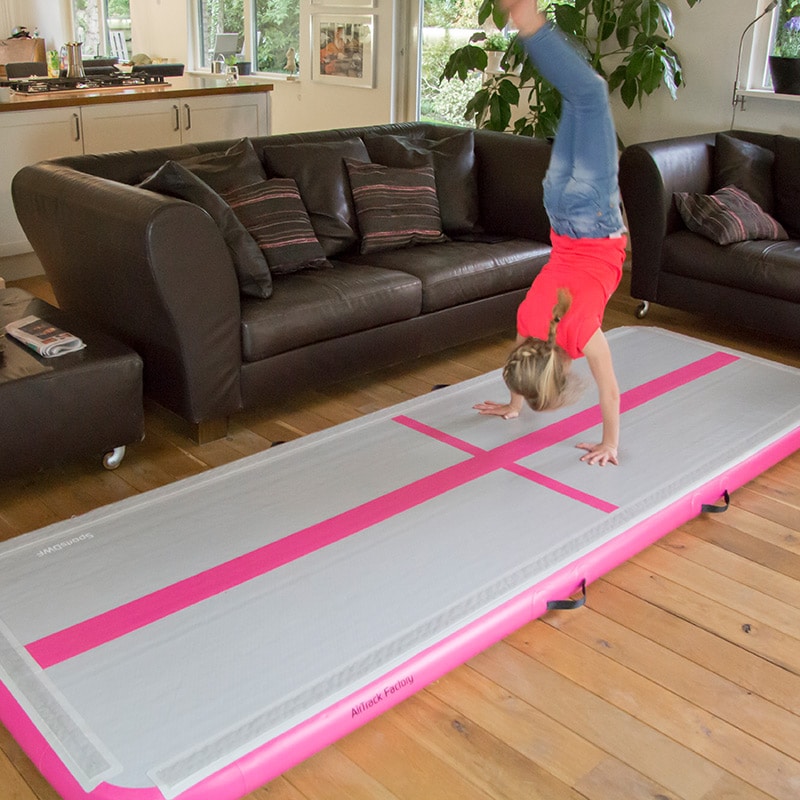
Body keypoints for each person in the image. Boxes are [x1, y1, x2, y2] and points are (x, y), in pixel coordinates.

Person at [474, 1, 627, 467]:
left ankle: (529, 23)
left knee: (592, 93)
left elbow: (612, 392)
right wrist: (513, 404)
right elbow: (520, 363)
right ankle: (529, 26)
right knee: (581, 97)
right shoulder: (527, 323)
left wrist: (610, 445)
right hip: (558, 209)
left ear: (560, 372)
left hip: (593, 217)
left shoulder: (581, 333)